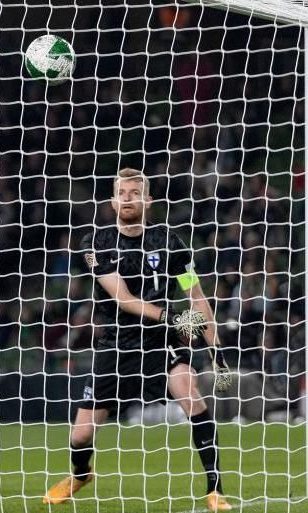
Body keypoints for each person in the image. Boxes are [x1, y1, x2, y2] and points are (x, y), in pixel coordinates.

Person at [43, 168, 233, 511]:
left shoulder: (171, 241)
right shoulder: (95, 244)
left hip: (162, 343)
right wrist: (170, 316)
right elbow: (123, 298)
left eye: (135, 192)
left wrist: (215, 348)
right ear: (113, 201)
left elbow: (197, 297)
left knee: (191, 394)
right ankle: (82, 474)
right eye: (122, 192)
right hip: (116, 345)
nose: (128, 197)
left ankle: (215, 490)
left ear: (148, 200)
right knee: (81, 435)